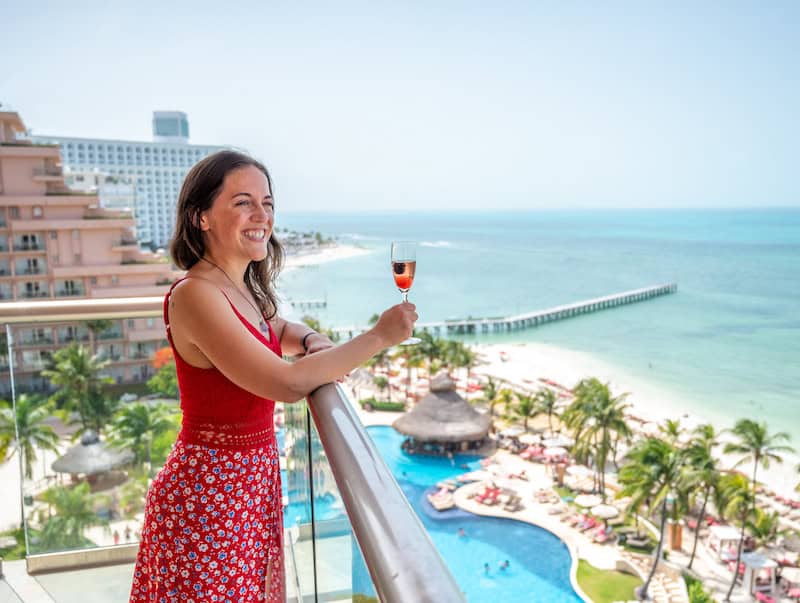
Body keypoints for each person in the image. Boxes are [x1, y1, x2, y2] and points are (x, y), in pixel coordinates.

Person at [129, 151, 417, 603]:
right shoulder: (195, 295)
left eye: (267, 203)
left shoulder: (238, 286)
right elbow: (286, 384)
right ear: (200, 217)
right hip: (210, 495)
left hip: (247, 486)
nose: (261, 215)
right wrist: (379, 336)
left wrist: (311, 338)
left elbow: (273, 329)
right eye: (243, 202)